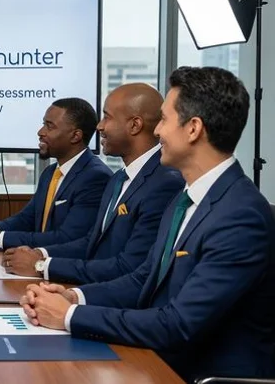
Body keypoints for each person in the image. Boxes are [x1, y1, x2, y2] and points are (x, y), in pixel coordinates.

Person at [20, 66, 275, 382]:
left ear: (193, 128)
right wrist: (75, 298)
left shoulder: (240, 216)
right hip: (158, 359)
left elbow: (178, 324)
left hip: (197, 373)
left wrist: (69, 316)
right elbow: (144, 279)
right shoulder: (186, 198)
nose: (157, 132)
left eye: (165, 120)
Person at [4, 83, 183, 284]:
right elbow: (92, 243)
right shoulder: (118, 179)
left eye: (107, 117)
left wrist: (41, 266)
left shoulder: (165, 184)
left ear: (134, 125)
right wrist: (38, 254)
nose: (99, 127)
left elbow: (129, 267)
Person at [0, 98, 111, 249]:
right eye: (43, 124)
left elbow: (68, 238)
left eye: (50, 126)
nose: (40, 132)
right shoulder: (50, 172)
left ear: (75, 136)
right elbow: (27, 218)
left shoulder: (95, 178)